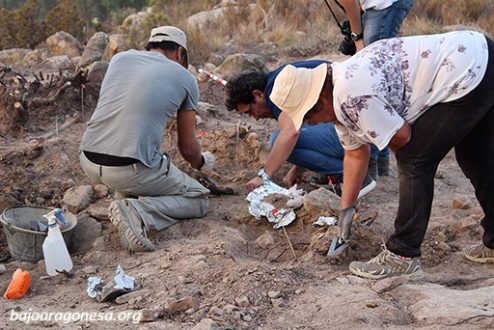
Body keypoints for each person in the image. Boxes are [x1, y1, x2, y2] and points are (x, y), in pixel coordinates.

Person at [268, 30, 494, 280]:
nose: (313, 123)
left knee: (413, 159)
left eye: (308, 117)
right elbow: (355, 155)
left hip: (465, 73)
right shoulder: (338, 91)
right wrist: (346, 212)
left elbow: (402, 137)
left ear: (319, 100)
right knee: (478, 158)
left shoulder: (351, 96)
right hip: (479, 54)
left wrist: (381, 129)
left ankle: (403, 255)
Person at [79, 26, 212, 252]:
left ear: (148, 47)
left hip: (88, 159)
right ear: (180, 53)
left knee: (138, 153)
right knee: (198, 199)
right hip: (126, 168)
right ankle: (137, 211)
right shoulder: (185, 78)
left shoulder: (120, 60)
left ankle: (124, 199)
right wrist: (202, 163)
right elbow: (187, 148)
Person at [225, 60, 376, 196]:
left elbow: (291, 133)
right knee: (285, 141)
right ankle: (349, 171)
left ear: (257, 94)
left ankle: (354, 176)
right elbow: (304, 125)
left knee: (278, 139)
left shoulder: (276, 91)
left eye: (250, 111)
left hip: (358, 125)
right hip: (366, 124)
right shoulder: (277, 79)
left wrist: (263, 176)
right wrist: (298, 168)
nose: (255, 117)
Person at [340, 0, 415, 177]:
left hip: (384, 4)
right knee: (378, 78)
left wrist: (357, 39)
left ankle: (369, 167)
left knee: (370, 79)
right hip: (383, 4)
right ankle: (381, 164)